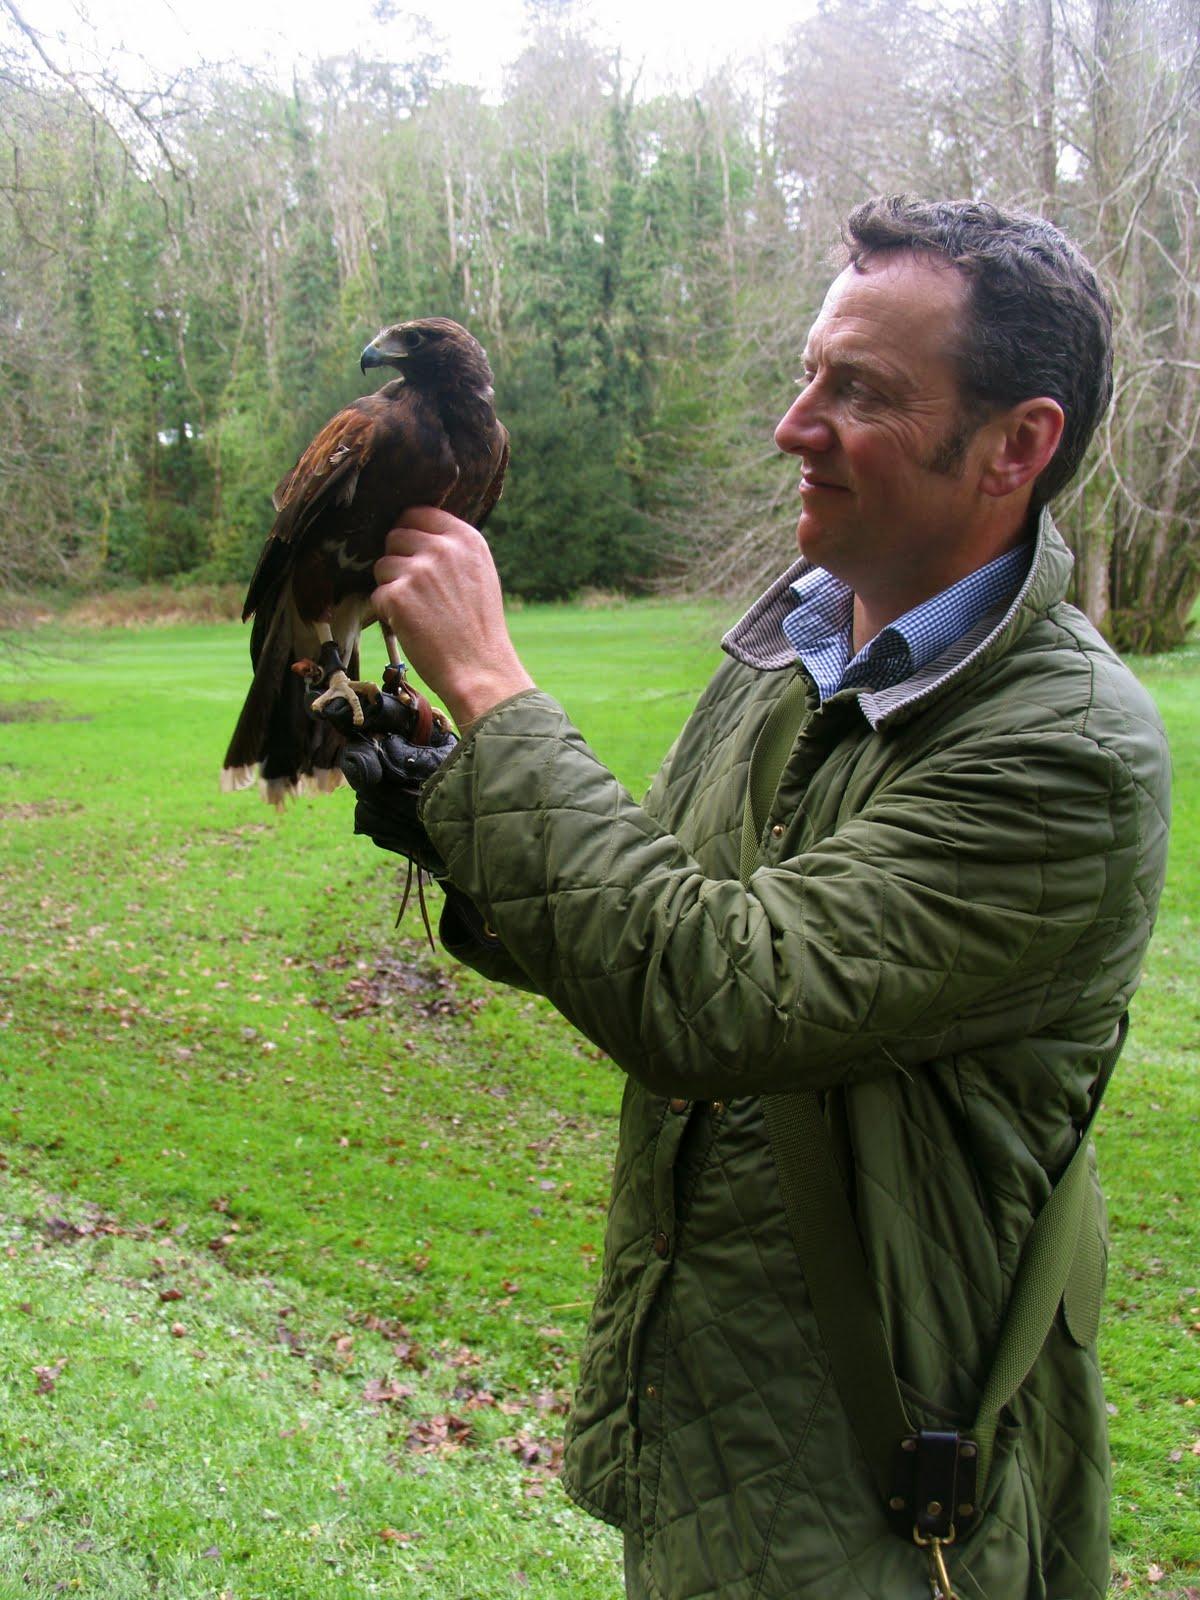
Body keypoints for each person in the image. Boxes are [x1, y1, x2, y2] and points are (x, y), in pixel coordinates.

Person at [360, 197, 1171, 1599]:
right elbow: (640, 910)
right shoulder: (798, 640)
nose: (795, 426)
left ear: (1016, 446)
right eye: (808, 374)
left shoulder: (1065, 755)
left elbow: (709, 992)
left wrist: (490, 691)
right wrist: (444, 792)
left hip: (890, 1504)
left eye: (856, 393)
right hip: (714, 1441)